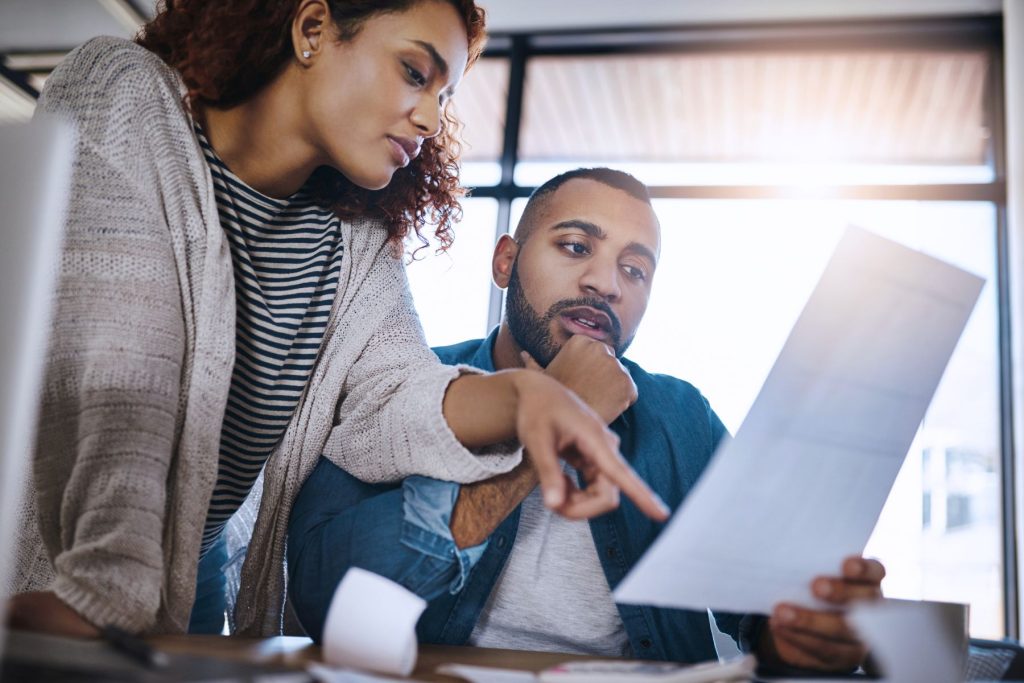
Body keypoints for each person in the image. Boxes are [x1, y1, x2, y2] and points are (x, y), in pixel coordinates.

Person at [7, 3, 668, 639]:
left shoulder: (353, 237)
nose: (431, 118)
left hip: (187, 576)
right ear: (313, 28)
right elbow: (120, 366)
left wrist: (525, 395)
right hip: (56, 576)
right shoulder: (123, 90)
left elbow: (396, 391)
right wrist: (110, 586)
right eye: (416, 73)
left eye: (445, 96)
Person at [287, 168, 886, 673]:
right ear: (505, 263)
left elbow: (763, 621)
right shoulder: (403, 382)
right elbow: (325, 601)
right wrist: (545, 420)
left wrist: (808, 635)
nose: (606, 284)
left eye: (635, 270)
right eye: (576, 247)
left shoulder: (682, 419)